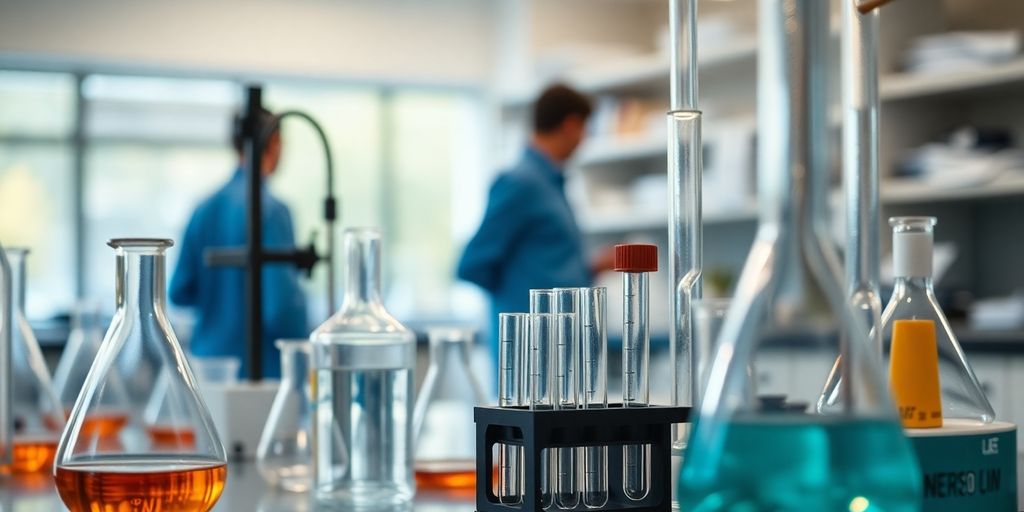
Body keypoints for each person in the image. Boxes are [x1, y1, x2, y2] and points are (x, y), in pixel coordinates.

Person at [457, 84, 614, 362]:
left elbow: (544, 264)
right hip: (531, 357)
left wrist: (589, 268)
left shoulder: (551, 184)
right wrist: (525, 310)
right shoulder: (520, 184)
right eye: (585, 128)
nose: (585, 138)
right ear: (571, 125)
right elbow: (472, 264)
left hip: (563, 351)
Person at [170, 108, 308, 379]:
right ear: (274, 142)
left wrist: (222, 297)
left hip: (207, 368)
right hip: (259, 373)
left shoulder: (204, 209)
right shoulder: (272, 212)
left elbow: (179, 291)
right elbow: (280, 310)